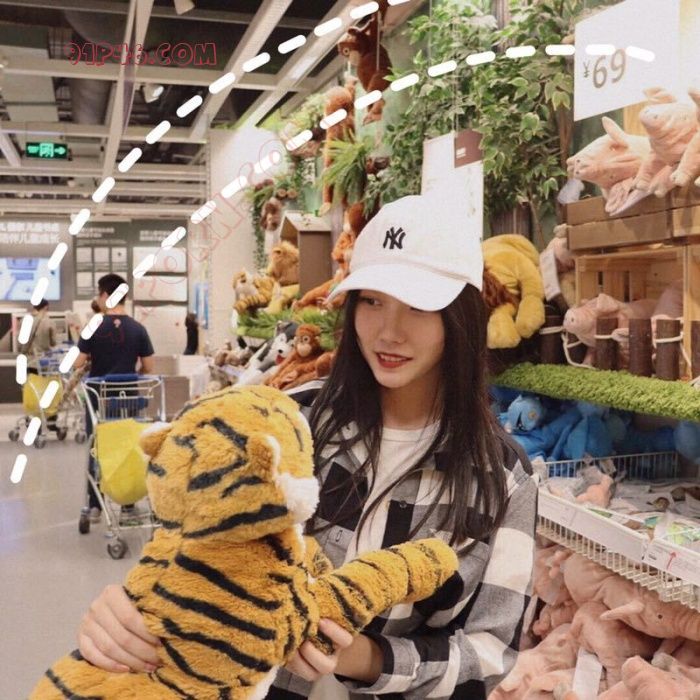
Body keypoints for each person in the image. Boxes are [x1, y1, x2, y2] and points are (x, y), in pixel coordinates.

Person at [75, 195, 537, 699]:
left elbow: (491, 653)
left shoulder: (502, 477)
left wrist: (368, 659)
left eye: (419, 306)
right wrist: (121, 614)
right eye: (372, 300)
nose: (389, 332)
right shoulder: (287, 420)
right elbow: (188, 547)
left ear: (460, 316)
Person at [73, 273, 155, 523]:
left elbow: (77, 363)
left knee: (97, 446)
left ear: (106, 296)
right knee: (127, 445)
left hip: (98, 398)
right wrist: (130, 372)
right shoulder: (138, 329)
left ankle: (95, 505)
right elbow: (149, 367)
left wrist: (92, 358)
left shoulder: (94, 326)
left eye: (99, 294)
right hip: (128, 398)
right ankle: (128, 503)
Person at [19, 298, 56, 368]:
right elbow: (53, 343)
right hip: (43, 359)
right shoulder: (50, 322)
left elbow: (20, 343)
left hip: (28, 359)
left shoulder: (24, 320)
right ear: (46, 307)